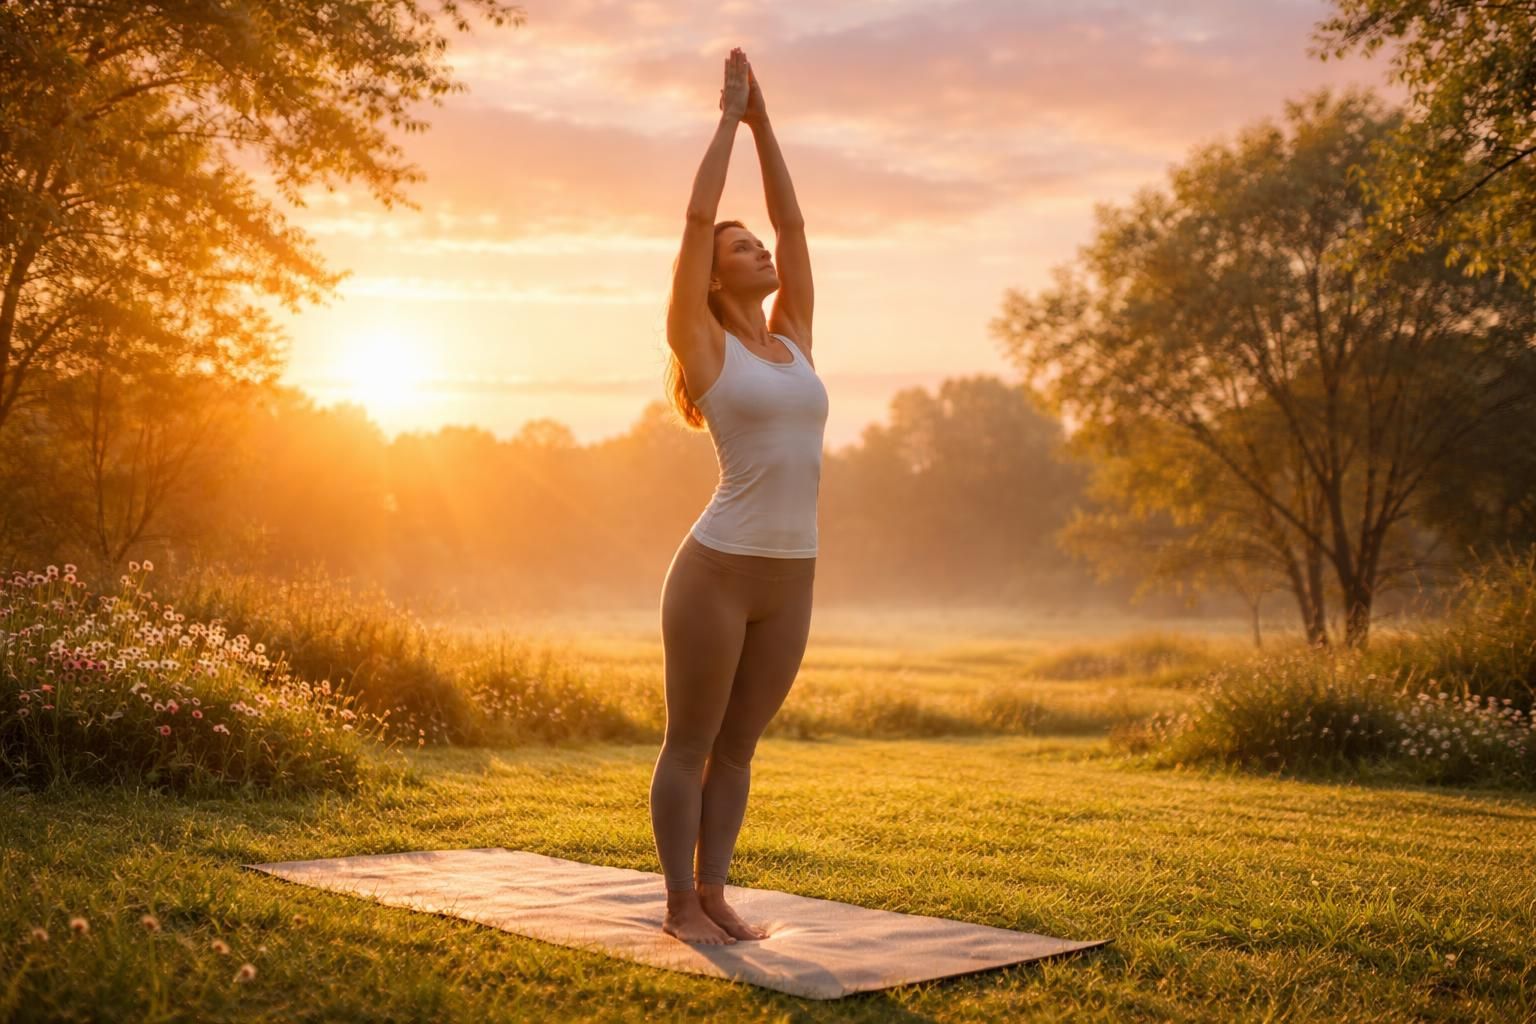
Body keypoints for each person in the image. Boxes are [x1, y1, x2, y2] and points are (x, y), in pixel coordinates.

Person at [649, 47, 828, 945]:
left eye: (757, 244)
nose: (760, 249)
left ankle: (716, 892)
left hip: (791, 576)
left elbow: (796, 225)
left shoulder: (793, 339)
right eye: (740, 247)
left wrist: (767, 123)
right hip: (718, 571)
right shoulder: (704, 346)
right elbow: (691, 218)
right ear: (714, 280)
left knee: (740, 748)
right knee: (690, 743)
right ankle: (679, 904)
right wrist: (726, 117)